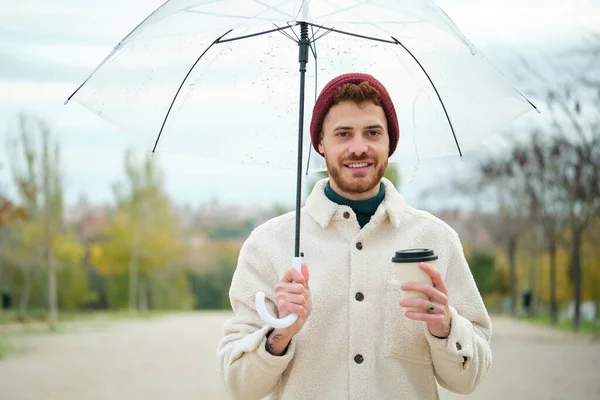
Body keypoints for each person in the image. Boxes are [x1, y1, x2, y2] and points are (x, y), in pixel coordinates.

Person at [217, 73, 492, 400]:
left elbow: (468, 380)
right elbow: (238, 385)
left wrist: (446, 327)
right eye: (343, 134)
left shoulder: (436, 239)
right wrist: (279, 335)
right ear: (320, 144)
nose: (359, 147)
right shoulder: (268, 245)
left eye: (373, 133)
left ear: (390, 142)